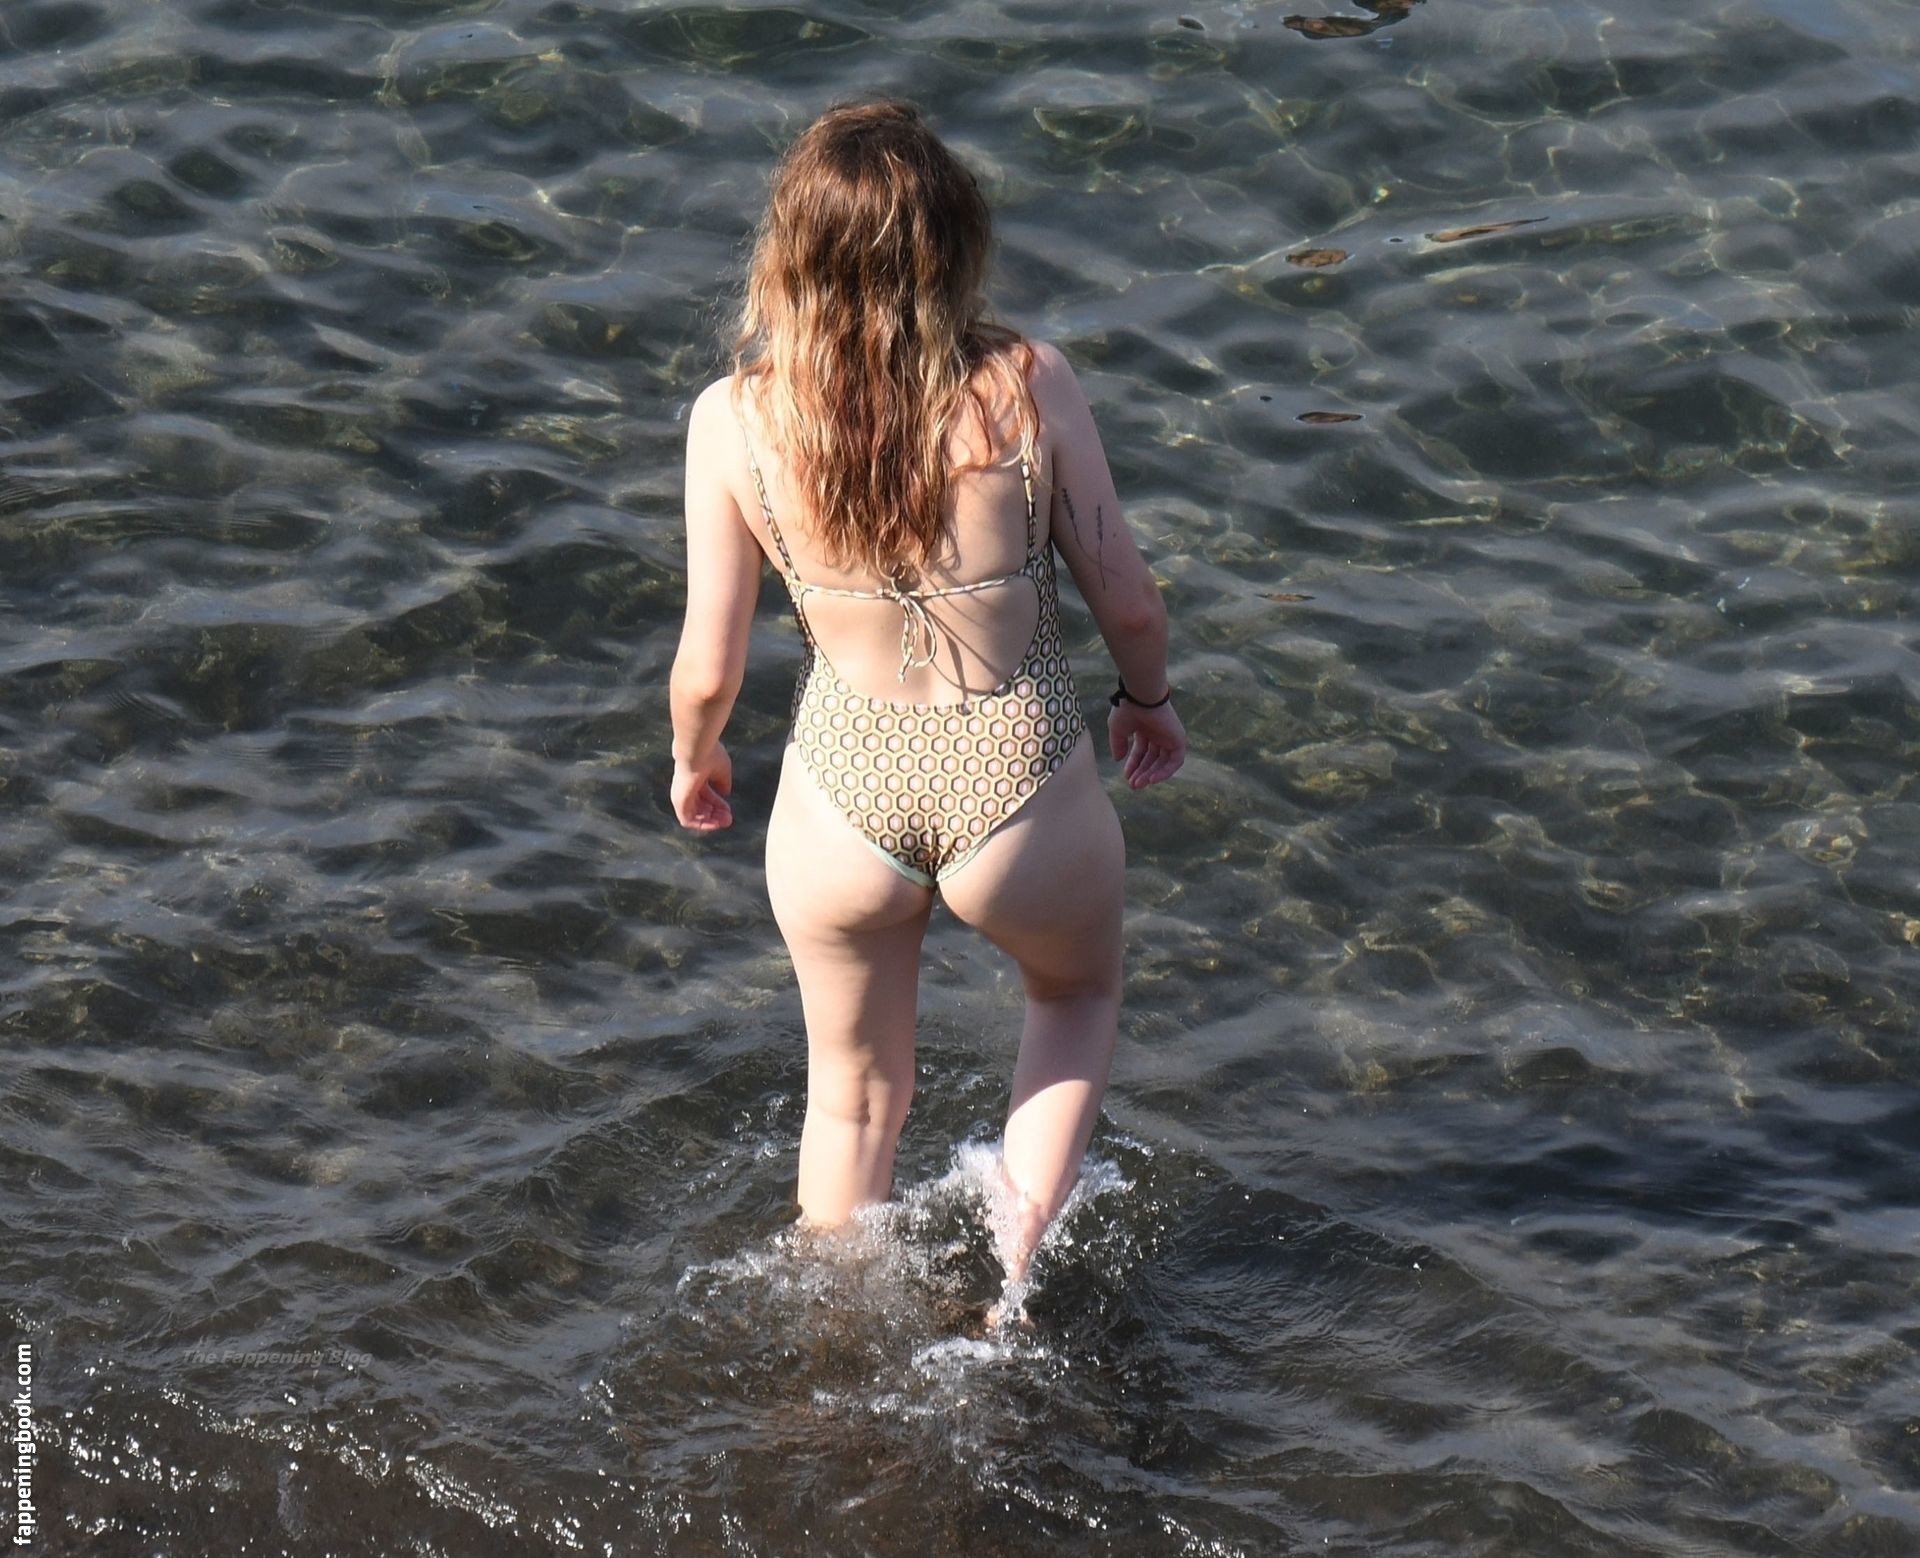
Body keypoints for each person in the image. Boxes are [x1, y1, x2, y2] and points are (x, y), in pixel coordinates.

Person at [667, 98, 1184, 1306]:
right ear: (956, 242)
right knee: (1075, 994)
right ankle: (1009, 1295)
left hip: (844, 788)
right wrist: (1146, 701)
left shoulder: (734, 419)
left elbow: (708, 666)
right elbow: (1129, 600)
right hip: (1016, 775)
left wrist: (697, 757)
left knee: (851, 1100)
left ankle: (837, 1332)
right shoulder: (1026, 385)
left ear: (787, 255)